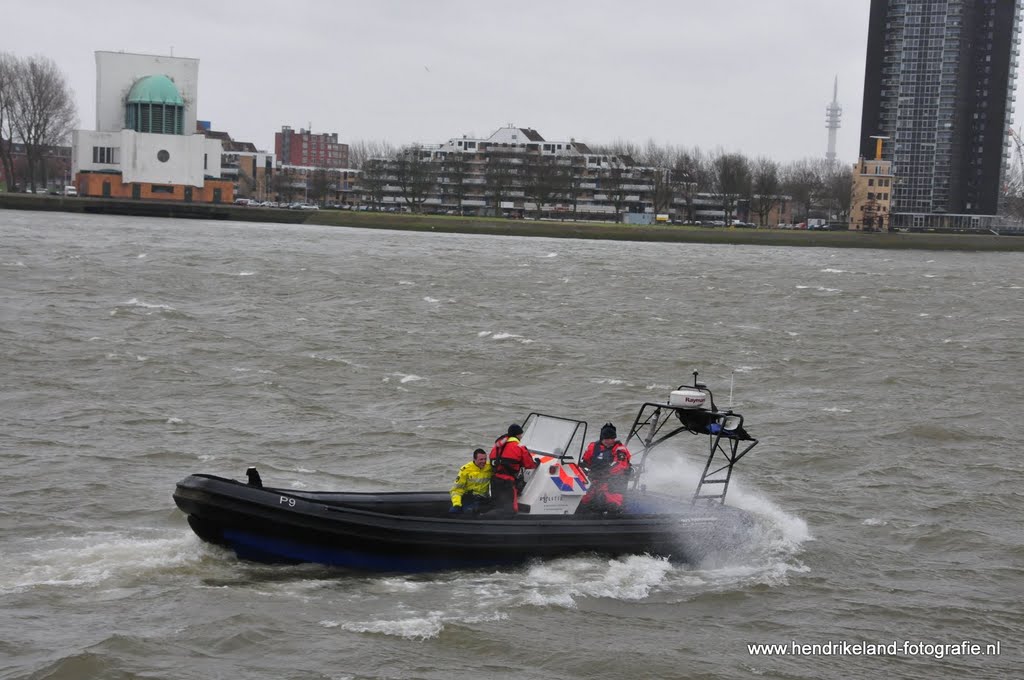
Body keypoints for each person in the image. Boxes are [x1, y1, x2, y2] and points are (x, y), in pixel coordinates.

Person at [580, 423, 632, 513]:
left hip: (613, 484)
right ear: (602, 438)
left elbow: (620, 465)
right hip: (596, 482)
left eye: (612, 439)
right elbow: (585, 462)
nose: (609, 441)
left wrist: (604, 473)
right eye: (607, 439)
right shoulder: (593, 447)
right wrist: (584, 469)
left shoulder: (620, 449)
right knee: (584, 502)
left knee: (612, 504)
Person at [489, 423, 537, 513]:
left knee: (497, 505)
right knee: (511, 509)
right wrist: (536, 464)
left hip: (495, 480)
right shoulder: (519, 446)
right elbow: (529, 465)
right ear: (517, 435)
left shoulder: (497, 446)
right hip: (508, 481)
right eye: (521, 434)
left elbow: (492, 460)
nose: (522, 436)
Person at [449, 448, 493, 515]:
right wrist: (456, 504)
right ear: (474, 459)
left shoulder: (489, 467)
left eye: (485, 459)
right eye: (481, 459)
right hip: (470, 498)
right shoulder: (465, 470)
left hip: (484, 498)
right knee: (467, 512)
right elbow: (456, 490)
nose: (484, 461)